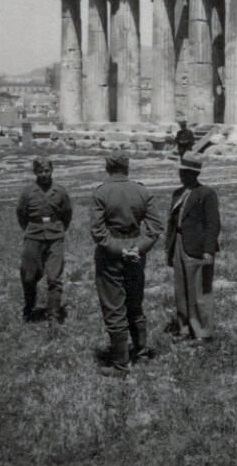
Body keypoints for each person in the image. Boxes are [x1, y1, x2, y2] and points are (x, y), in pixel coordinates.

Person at [90, 150, 164, 378]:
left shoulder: (101, 192)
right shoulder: (142, 190)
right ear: (128, 167)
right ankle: (141, 356)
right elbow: (155, 228)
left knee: (114, 307)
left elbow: (98, 232)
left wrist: (120, 250)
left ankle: (121, 365)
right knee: (135, 303)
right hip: (136, 251)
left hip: (110, 253)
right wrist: (138, 248)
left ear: (107, 167)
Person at [164, 151, 221, 342]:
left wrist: (208, 250)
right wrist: (169, 248)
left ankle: (203, 333)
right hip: (180, 244)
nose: (182, 175)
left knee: (199, 291)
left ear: (195, 173)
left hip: (197, 247)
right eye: (182, 171)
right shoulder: (177, 194)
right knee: (181, 289)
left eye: (187, 171)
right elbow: (171, 224)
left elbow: (213, 224)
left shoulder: (206, 194)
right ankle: (185, 328)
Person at [15, 157, 73, 323]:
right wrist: (31, 229)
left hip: (55, 237)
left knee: (54, 277)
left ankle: (53, 315)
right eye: (40, 171)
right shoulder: (27, 193)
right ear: (35, 172)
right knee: (29, 275)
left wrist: (58, 229)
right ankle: (29, 309)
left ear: (52, 171)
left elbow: (67, 213)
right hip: (33, 235)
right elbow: (21, 214)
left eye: (47, 171)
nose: (44, 175)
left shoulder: (60, 192)